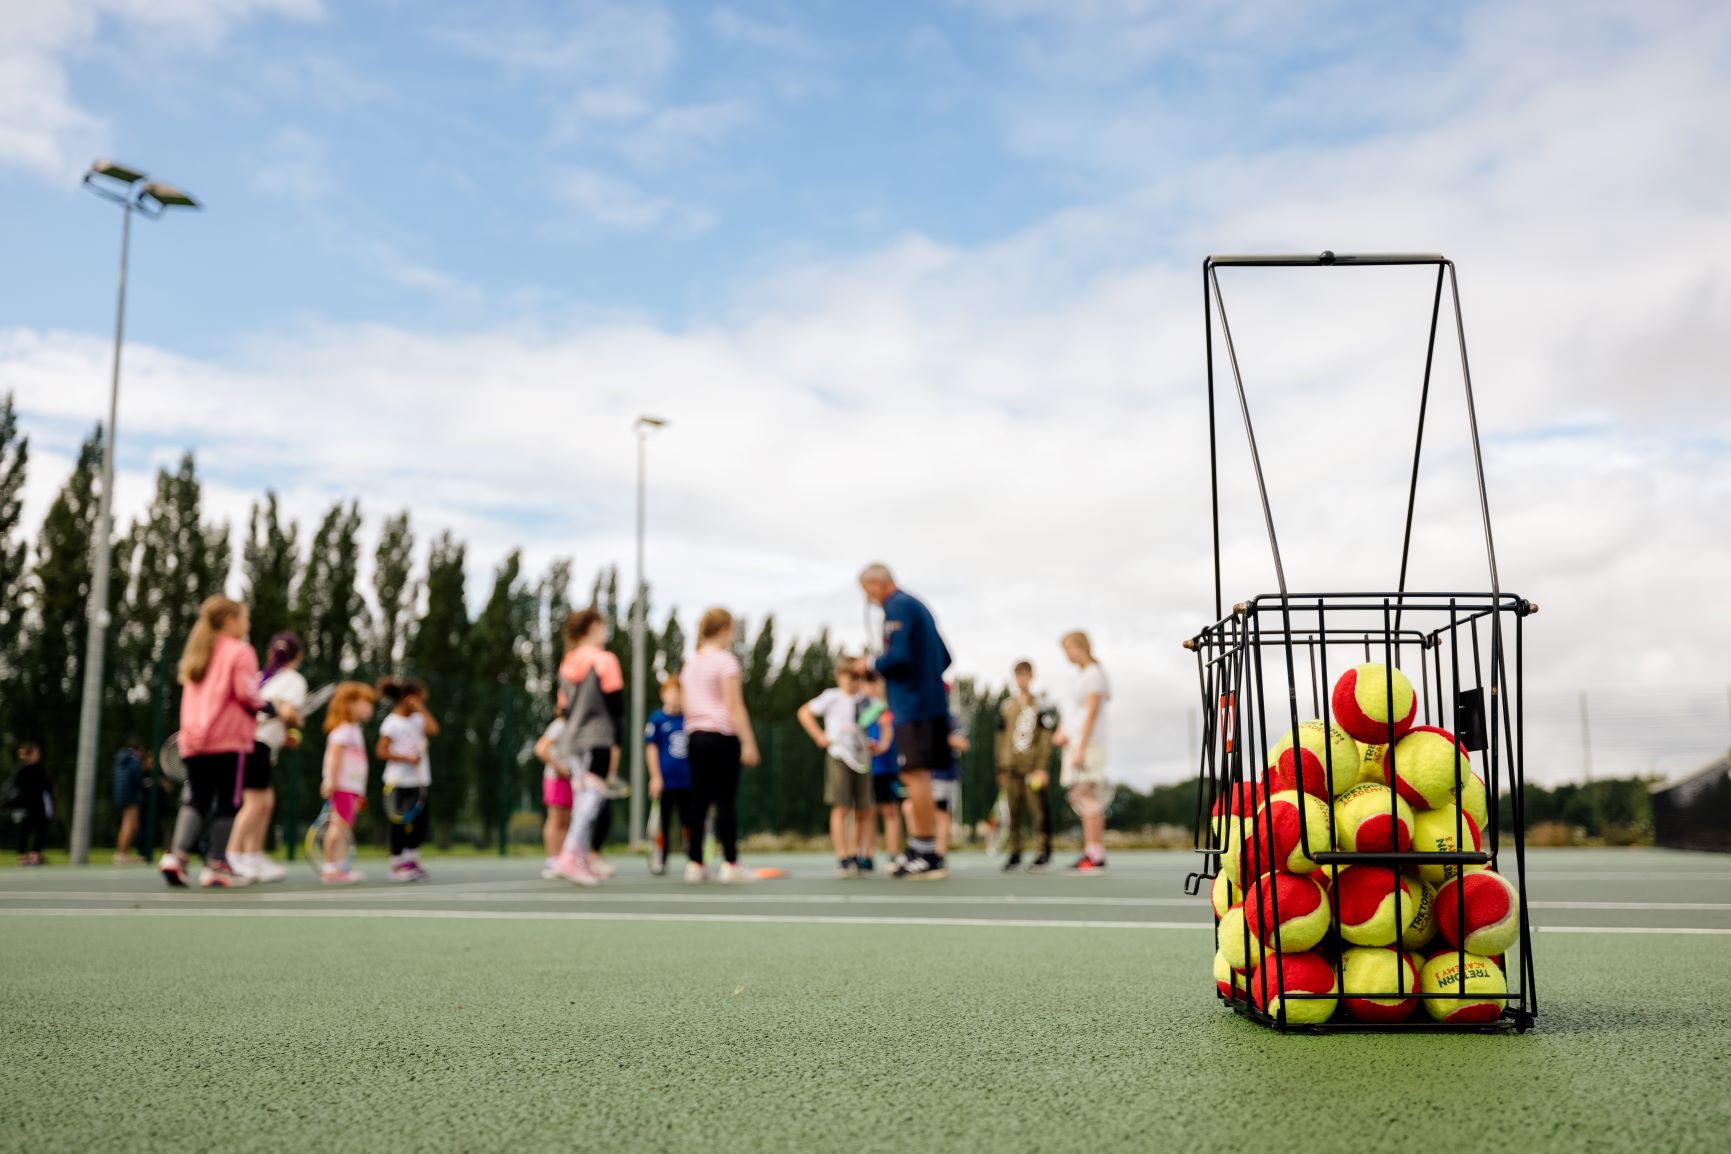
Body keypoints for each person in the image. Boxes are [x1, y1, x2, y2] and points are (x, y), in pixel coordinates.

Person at [158, 596, 299, 889]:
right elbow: (248, 695)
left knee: (196, 799)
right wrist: (274, 708)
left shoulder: (199, 652)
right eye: (245, 618)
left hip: (193, 741)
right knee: (227, 802)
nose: (247, 624)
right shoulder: (241, 651)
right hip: (229, 741)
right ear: (230, 621)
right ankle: (217, 866)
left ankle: (176, 857)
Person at [860, 564, 953, 880]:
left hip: (913, 706)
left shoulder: (897, 606)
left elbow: (898, 658)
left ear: (877, 583)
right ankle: (920, 847)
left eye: (865, 589)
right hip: (928, 702)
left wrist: (871, 662)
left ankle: (925, 850)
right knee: (919, 775)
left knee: (916, 776)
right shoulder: (917, 606)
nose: (865, 597)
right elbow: (945, 656)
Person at [680, 607, 760, 883]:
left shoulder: (691, 663)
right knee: (725, 799)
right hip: (721, 736)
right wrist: (748, 742)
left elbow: (687, 704)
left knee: (699, 800)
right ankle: (730, 864)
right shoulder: (725, 661)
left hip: (695, 736)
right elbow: (734, 705)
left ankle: (695, 863)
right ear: (724, 629)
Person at [549, 608, 625, 885]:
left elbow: (564, 708)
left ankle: (577, 858)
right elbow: (617, 709)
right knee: (592, 798)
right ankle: (569, 856)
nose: (606, 631)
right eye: (603, 626)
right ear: (593, 626)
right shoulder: (605, 660)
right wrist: (617, 744)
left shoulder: (567, 663)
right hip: (598, 736)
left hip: (573, 739)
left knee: (582, 797)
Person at [229, 632, 307, 882]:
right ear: (299, 656)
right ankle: (233, 856)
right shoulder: (294, 680)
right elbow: (286, 712)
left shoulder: (261, 678)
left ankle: (252, 856)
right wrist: (297, 720)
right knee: (254, 803)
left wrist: (286, 733)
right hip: (256, 744)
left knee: (265, 801)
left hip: (253, 743)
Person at [798, 656, 873, 878]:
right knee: (841, 807)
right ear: (839, 676)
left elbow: (881, 719)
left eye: (858, 677)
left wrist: (876, 743)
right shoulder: (831, 697)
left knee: (862, 809)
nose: (853, 681)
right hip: (839, 756)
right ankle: (842, 857)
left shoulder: (866, 701)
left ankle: (854, 854)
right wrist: (819, 736)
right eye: (849, 676)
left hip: (861, 759)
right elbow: (804, 713)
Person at [1056, 630, 1111, 874]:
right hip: (1076, 744)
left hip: (1088, 745)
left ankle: (1096, 854)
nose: (1067, 654)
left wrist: (1080, 748)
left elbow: (1091, 712)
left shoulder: (1095, 674)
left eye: (1069, 648)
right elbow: (1073, 713)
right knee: (1082, 797)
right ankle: (1091, 850)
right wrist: (1062, 732)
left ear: (1082, 647)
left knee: (1089, 798)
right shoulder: (1079, 676)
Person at [996, 660, 1056, 871]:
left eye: (1025, 674)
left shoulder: (1041, 705)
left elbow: (1046, 737)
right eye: (1018, 674)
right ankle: (1015, 852)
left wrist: (1041, 766)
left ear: (1031, 676)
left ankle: (1044, 852)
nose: (1022, 678)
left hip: (1032, 768)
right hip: (1011, 768)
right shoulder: (1007, 706)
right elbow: (1000, 738)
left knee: (1038, 811)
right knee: (1014, 812)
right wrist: (1001, 767)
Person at [377, 677, 439, 883]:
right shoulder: (392, 722)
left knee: (421, 824)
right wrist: (405, 758)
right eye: (418, 699)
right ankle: (396, 864)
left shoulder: (419, 719)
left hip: (419, 781)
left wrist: (421, 708)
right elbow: (381, 751)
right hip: (397, 782)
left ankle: (412, 861)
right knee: (398, 824)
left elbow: (433, 730)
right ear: (406, 698)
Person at [320, 681, 377, 885]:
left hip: (351, 788)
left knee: (344, 828)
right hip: (342, 786)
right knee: (338, 827)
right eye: (366, 703)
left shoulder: (354, 730)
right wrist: (331, 782)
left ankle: (340, 868)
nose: (370, 708)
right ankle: (330, 867)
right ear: (349, 705)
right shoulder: (343, 730)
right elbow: (334, 758)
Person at [644, 674, 692, 877]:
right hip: (666, 783)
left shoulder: (689, 719)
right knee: (663, 823)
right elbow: (651, 749)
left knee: (689, 822)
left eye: (680, 693)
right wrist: (655, 777)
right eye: (673, 693)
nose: (677, 697)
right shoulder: (657, 719)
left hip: (689, 783)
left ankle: (694, 859)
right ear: (663, 694)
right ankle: (661, 860)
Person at [859, 670, 902, 870]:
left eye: (875, 682)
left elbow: (888, 733)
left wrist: (882, 746)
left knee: (890, 811)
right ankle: (866, 855)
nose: (872, 687)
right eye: (868, 683)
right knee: (867, 813)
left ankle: (893, 854)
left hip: (887, 768)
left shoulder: (889, 708)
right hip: (866, 769)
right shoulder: (862, 710)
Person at [536, 715, 574, 879]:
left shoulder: (578, 725)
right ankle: (552, 860)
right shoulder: (559, 725)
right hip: (555, 779)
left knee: (566, 822)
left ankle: (563, 861)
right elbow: (541, 749)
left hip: (571, 779)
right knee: (555, 820)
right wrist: (558, 767)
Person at [7, 742, 52, 866]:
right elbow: (47, 787)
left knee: (24, 831)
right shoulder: (37, 769)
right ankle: (34, 855)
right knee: (38, 830)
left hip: (24, 806)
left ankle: (22, 857)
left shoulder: (21, 769)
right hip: (35, 806)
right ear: (31, 754)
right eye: (36, 753)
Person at [111, 738, 148, 864]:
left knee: (130, 823)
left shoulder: (122, 760)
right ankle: (122, 853)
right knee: (129, 824)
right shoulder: (133, 761)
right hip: (130, 796)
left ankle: (123, 852)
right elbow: (138, 779)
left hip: (121, 795)